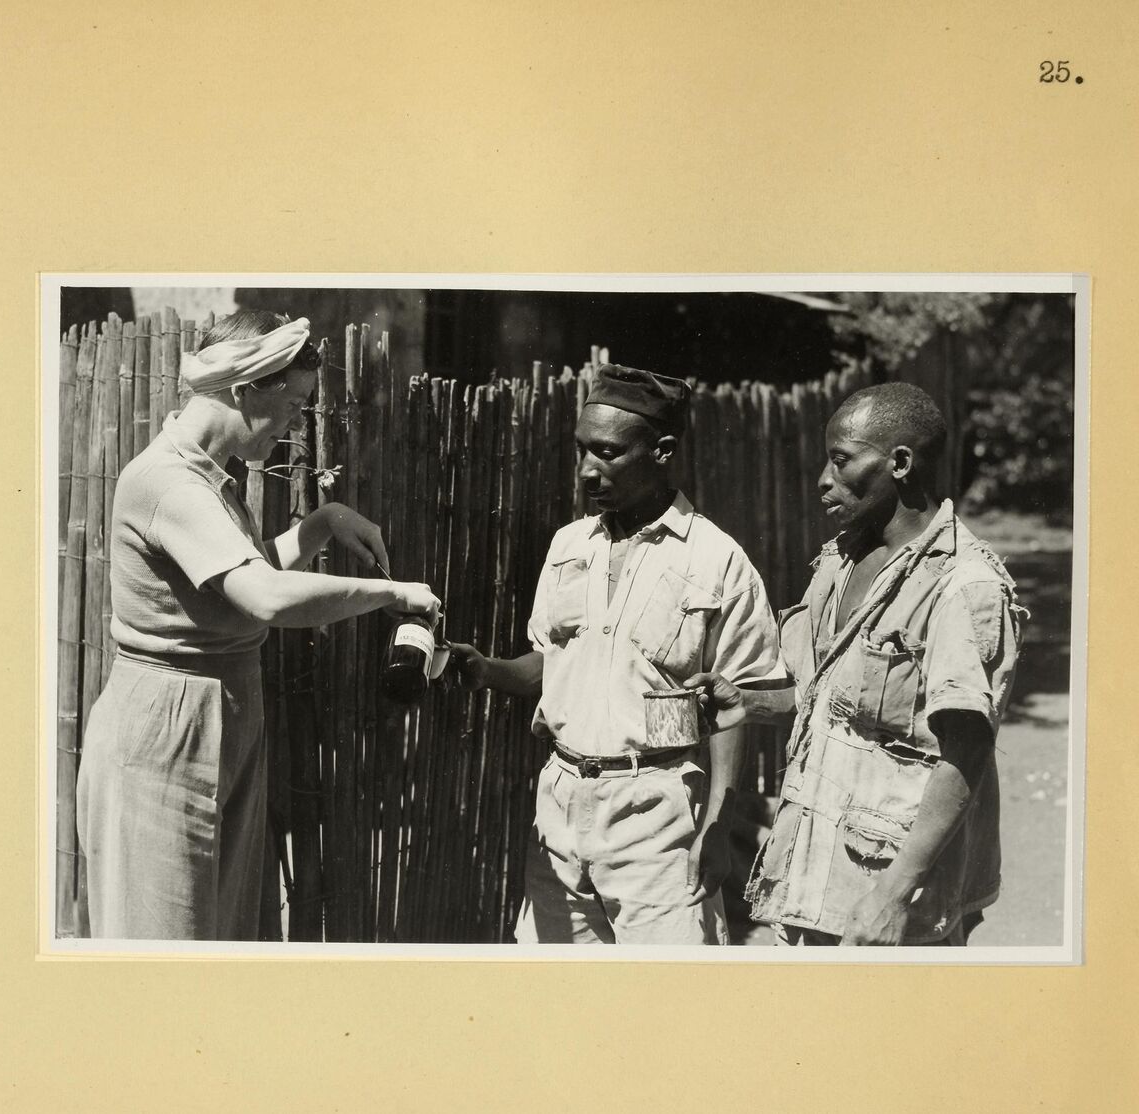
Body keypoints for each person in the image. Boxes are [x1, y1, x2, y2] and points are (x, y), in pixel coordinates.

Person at [75, 310, 440, 941]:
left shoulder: (211, 480)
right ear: (245, 388)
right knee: (164, 943)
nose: (300, 426)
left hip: (222, 721)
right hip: (167, 731)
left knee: (218, 935)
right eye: (294, 405)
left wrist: (323, 521)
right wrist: (388, 594)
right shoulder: (168, 483)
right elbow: (265, 597)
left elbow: (236, 575)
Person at [448, 364, 783, 944]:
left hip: (656, 818)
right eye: (581, 451)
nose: (586, 470)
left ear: (662, 452)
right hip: (559, 810)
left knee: (668, 1009)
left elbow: (741, 702)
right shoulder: (569, 545)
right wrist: (485, 670)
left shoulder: (717, 560)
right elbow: (551, 665)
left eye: (607, 453)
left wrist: (717, 826)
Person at [688, 382, 1021, 945]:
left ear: (900, 463)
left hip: (891, 896)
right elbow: (821, 699)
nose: (824, 479)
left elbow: (964, 751)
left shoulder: (963, 587)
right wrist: (744, 702)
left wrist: (893, 895)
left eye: (841, 460)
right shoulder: (840, 562)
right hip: (813, 877)